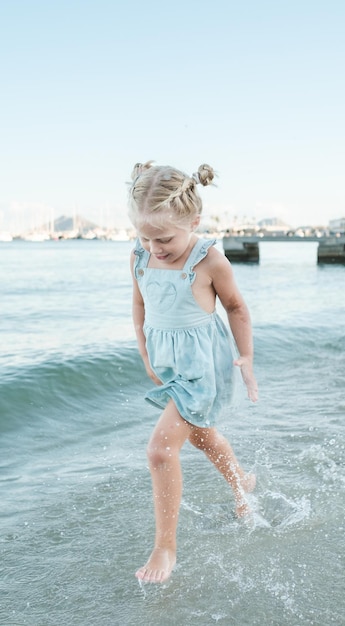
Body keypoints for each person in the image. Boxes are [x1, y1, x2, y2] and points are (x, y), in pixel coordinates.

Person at [128, 160, 258, 584]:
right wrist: (145, 353)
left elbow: (237, 307)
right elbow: (140, 304)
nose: (154, 247)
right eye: (145, 236)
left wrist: (247, 360)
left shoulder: (209, 260)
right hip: (169, 364)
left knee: (160, 451)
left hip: (204, 367)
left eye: (163, 238)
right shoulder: (139, 255)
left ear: (194, 221)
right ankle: (242, 483)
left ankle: (165, 547)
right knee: (200, 435)